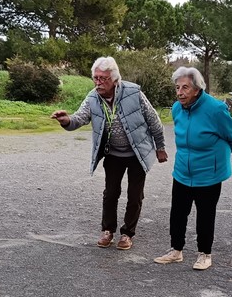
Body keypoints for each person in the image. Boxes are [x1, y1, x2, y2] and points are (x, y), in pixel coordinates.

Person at [51, 56, 168, 250]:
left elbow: (153, 120)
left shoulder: (134, 93)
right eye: (95, 78)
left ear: (114, 79)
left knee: (135, 195)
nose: (98, 82)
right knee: (110, 193)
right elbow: (80, 118)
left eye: (103, 78)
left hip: (137, 153)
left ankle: (127, 233)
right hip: (113, 153)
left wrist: (160, 147)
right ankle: (108, 230)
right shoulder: (92, 97)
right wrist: (66, 120)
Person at [154, 67, 232, 270]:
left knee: (205, 214)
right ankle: (176, 250)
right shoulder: (177, 108)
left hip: (209, 172)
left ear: (197, 89)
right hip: (183, 170)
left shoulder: (215, 109)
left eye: (185, 87)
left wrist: (217, 158)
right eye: (177, 87)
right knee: (177, 213)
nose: (180, 92)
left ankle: (204, 254)